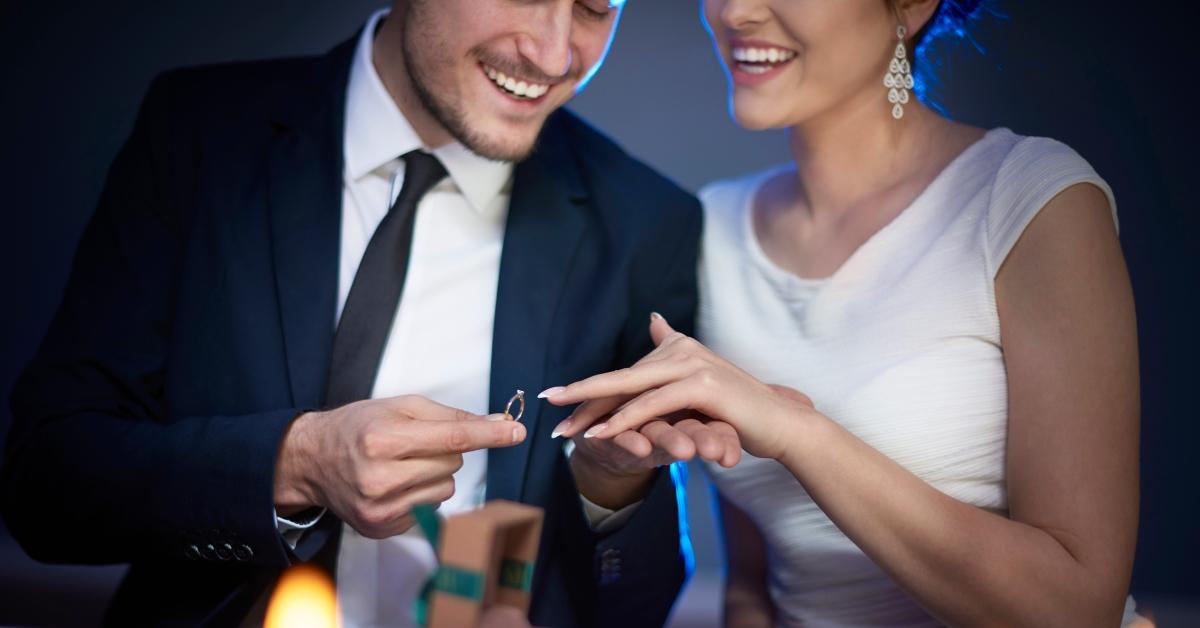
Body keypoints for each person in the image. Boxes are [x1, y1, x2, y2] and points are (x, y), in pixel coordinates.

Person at [0, 1, 743, 626]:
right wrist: (298, 462)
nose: (553, 54)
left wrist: (614, 489)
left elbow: (638, 603)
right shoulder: (199, 133)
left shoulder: (649, 223)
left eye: (593, 7)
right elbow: (47, 487)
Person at [544, 0, 1146, 625]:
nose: (735, 12)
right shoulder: (712, 231)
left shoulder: (1029, 201)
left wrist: (797, 434)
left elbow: (1080, 608)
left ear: (911, 7)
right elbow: (753, 586)